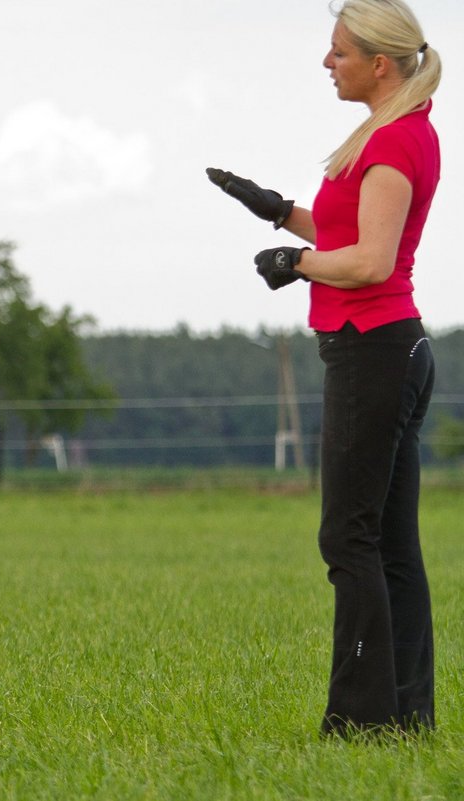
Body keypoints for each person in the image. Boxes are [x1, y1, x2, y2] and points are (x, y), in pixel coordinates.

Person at [208, 0, 440, 738]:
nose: (326, 63)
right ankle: (406, 716)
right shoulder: (392, 132)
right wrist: (276, 211)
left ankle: (361, 721)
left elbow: (369, 260)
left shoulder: (395, 141)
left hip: (374, 347)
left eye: (338, 52)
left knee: (348, 538)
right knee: (389, 542)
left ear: (379, 62)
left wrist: (296, 265)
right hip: (387, 346)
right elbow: (351, 231)